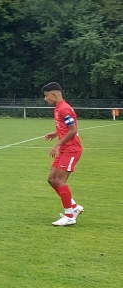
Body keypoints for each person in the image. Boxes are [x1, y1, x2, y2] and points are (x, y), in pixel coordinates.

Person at [42, 82, 84, 226]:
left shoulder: (64, 109)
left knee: (60, 180)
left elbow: (73, 130)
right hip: (65, 149)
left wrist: (57, 144)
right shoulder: (58, 108)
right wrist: (55, 133)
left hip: (72, 149)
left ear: (54, 94)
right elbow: (66, 127)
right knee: (51, 179)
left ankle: (69, 216)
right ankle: (74, 207)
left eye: (46, 96)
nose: (45, 99)